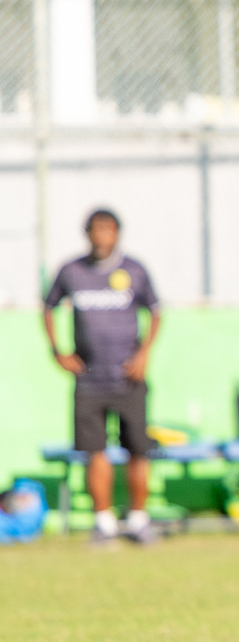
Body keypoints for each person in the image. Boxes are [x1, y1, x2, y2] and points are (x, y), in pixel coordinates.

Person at [42, 209, 163, 544]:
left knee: (138, 450)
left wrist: (144, 354)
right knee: (95, 451)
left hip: (128, 380)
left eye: (108, 230)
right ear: (87, 234)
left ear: (118, 234)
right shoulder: (72, 272)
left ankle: (138, 520)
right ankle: (104, 522)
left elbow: (156, 312)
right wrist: (57, 351)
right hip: (89, 381)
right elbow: (47, 307)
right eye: (96, 230)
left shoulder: (134, 271)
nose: (102, 237)